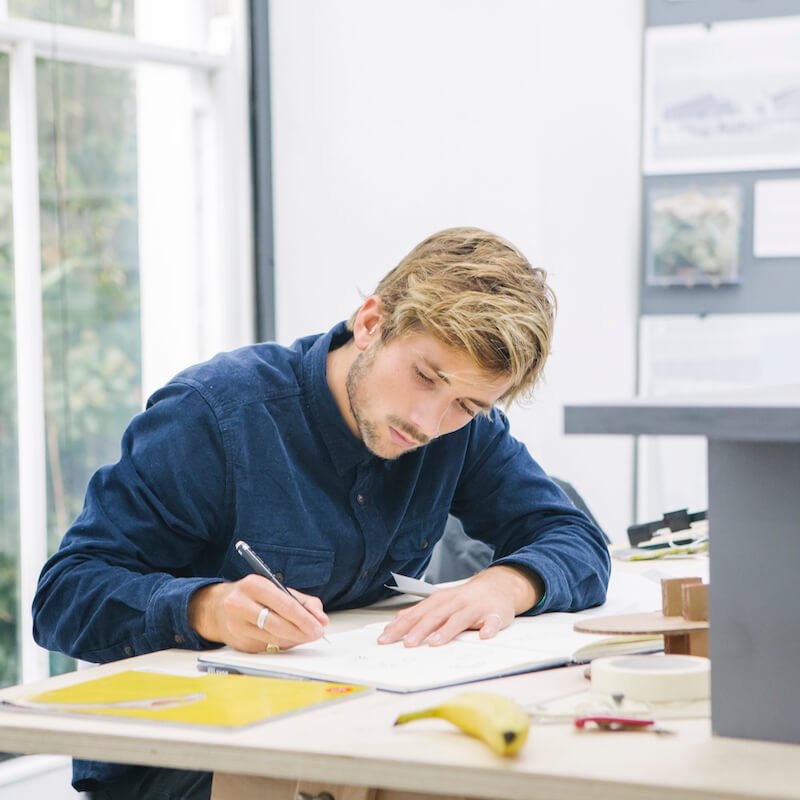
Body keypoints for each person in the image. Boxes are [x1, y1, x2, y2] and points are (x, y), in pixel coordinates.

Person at [33, 226, 611, 798]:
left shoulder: (462, 434)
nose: (429, 423)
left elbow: (573, 536)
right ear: (370, 323)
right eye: (424, 377)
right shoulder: (213, 415)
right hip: (183, 757)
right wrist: (207, 608)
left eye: (464, 404)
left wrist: (507, 584)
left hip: (350, 726)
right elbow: (64, 595)